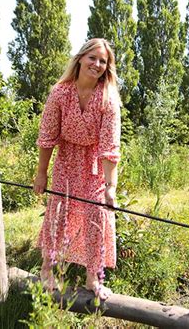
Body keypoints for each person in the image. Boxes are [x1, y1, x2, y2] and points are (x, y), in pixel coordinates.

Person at [33, 38, 121, 300]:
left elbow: (109, 146)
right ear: (81, 58)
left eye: (103, 61)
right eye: (92, 58)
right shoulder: (60, 92)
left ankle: (93, 278)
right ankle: (47, 269)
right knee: (59, 213)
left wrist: (110, 186)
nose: (97, 64)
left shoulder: (108, 98)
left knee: (96, 216)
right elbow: (48, 136)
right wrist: (41, 173)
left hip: (93, 165)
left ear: (107, 67)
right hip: (66, 160)